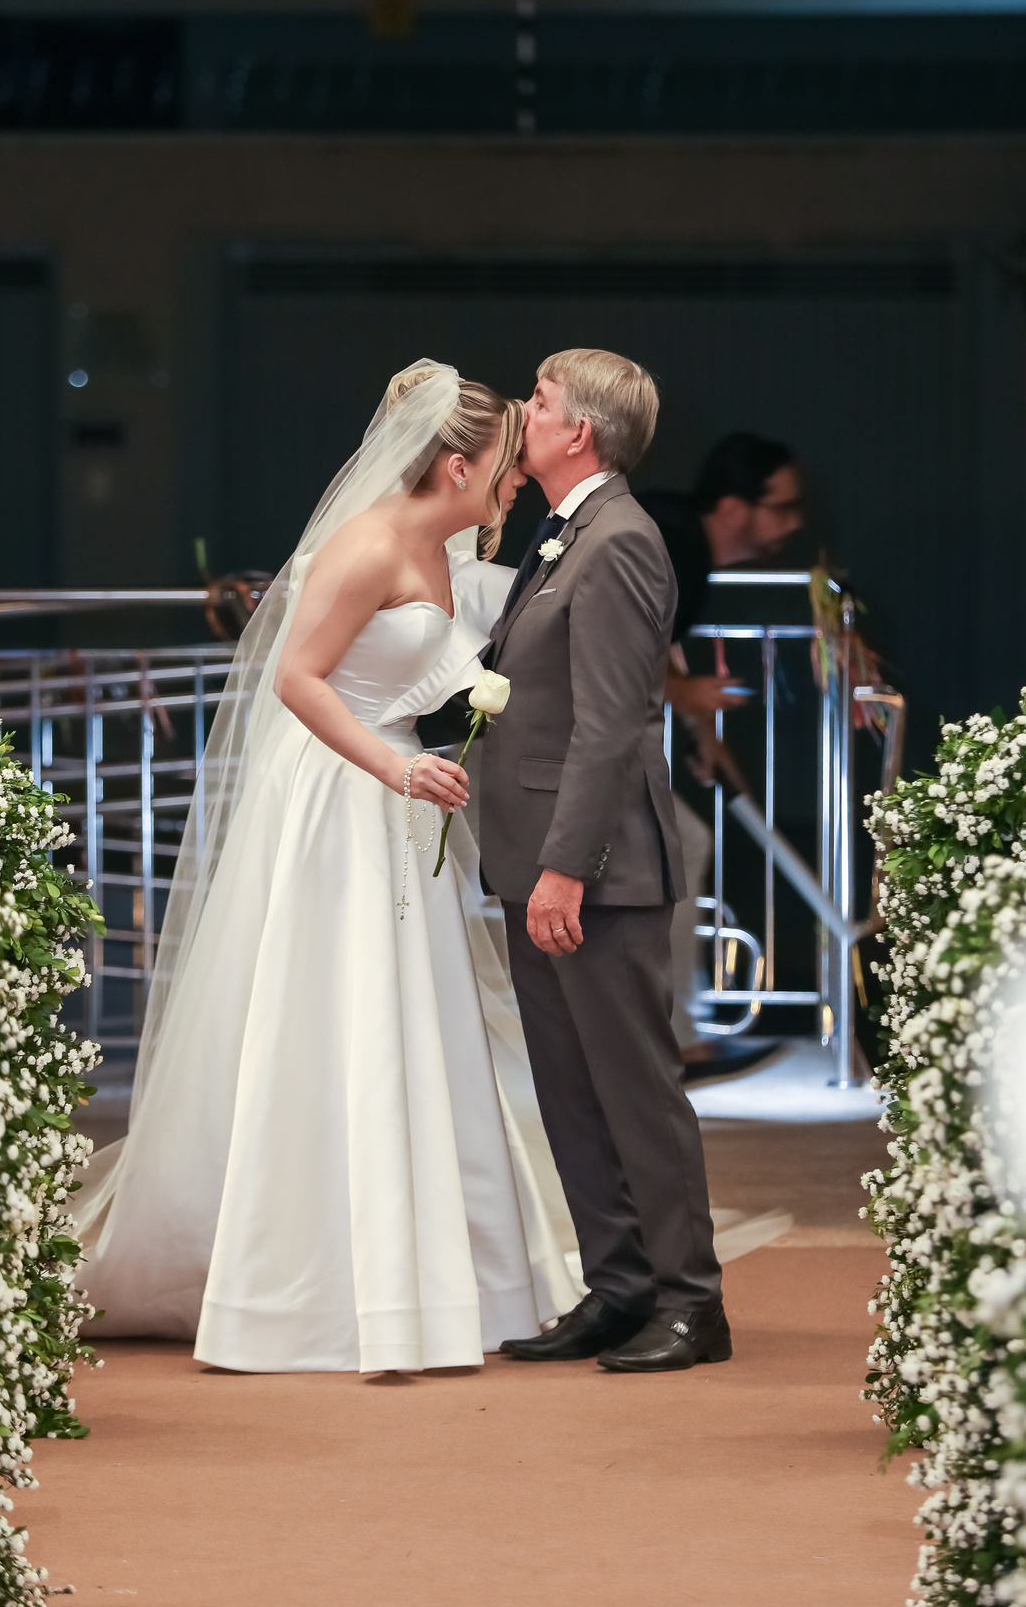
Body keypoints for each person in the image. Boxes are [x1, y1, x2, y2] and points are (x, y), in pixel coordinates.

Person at [72, 362, 576, 1373]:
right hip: (343, 795)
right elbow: (298, 679)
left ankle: (436, 1277)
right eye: (507, 468)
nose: (517, 483)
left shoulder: (444, 549)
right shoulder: (368, 544)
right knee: (335, 1009)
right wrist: (394, 764)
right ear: (457, 465)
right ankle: (300, 1285)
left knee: (417, 1017)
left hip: (405, 799)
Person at [483, 348, 729, 1375]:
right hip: (536, 853)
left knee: (632, 1088)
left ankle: (690, 1300)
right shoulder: (564, 531)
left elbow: (613, 721)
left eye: (538, 400)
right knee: (571, 1090)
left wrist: (568, 865)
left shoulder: (620, 537)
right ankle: (620, 1285)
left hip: (594, 865)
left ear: (578, 431)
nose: (523, 410)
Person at [636, 434, 805, 1064]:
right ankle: (674, 1043)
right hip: (558, 737)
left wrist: (702, 731)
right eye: (782, 508)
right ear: (734, 507)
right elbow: (609, 640)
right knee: (676, 848)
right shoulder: (675, 541)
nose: (795, 523)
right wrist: (686, 694)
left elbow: (657, 639)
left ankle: (676, 1037)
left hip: (582, 736)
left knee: (679, 847)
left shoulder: (681, 542)